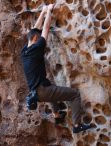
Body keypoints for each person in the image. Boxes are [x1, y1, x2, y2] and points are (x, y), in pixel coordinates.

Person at [20, 4, 93, 133]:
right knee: (75, 94)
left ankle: (57, 115)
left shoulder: (25, 51)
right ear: (36, 39)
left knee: (50, 85)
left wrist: (42, 12)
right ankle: (77, 126)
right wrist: (48, 11)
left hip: (36, 93)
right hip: (43, 92)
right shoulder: (37, 47)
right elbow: (45, 28)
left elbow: (34, 30)